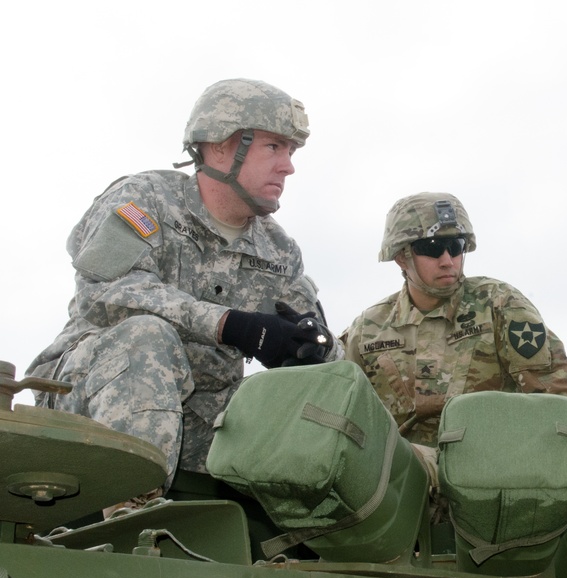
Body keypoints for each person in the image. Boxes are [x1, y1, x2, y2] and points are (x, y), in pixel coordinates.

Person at [27, 78, 343, 512]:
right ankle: (130, 517)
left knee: (316, 396)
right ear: (218, 147)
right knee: (146, 336)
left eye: (291, 151)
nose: (288, 166)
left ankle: (323, 545)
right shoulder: (144, 199)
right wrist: (231, 325)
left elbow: (318, 339)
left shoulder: (279, 249)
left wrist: (313, 349)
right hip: (93, 397)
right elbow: (106, 292)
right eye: (273, 147)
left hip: (198, 424)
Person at [342, 191, 567, 451]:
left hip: (489, 464)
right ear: (401, 256)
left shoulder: (498, 304)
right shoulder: (367, 330)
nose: (447, 261)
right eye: (431, 247)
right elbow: (342, 408)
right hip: (402, 477)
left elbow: (560, 395)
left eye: (455, 247)